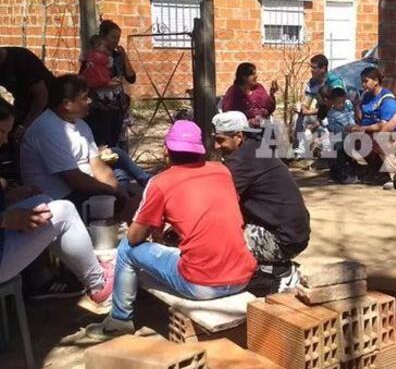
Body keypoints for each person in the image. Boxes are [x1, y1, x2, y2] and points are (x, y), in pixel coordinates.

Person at [87, 120, 257, 339]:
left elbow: (135, 236)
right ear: (201, 150)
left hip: (202, 285)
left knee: (126, 249)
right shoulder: (222, 172)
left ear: (166, 151)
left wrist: (153, 223)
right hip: (242, 276)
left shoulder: (160, 183)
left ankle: (119, 320)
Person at [0, 97, 113, 304]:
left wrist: (10, 197)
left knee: (42, 200)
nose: (5, 141)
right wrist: (6, 219)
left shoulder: (79, 125)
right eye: (2, 132)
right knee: (64, 210)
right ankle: (98, 284)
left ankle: (53, 276)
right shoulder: (49, 127)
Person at [212, 112, 310, 294]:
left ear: (238, 137)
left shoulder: (241, 160)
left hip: (283, 239)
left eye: (221, 140)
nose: (217, 146)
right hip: (293, 232)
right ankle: (272, 268)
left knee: (216, 238)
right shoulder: (255, 149)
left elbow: (217, 202)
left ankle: (278, 274)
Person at [19, 75, 137, 215]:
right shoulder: (49, 129)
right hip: (59, 199)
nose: (89, 101)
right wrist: (114, 194)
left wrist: (116, 190)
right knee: (134, 205)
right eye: (84, 98)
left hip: (86, 189)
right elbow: (74, 179)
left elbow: (97, 165)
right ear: (67, 104)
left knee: (131, 191)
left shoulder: (80, 124)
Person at [81, 21, 137, 149]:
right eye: (113, 37)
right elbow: (85, 80)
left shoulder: (117, 56)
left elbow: (131, 78)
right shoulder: (91, 57)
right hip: (99, 107)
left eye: (118, 37)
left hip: (117, 107)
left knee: (116, 141)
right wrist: (103, 84)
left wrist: (124, 56)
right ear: (103, 36)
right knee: (103, 144)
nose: (116, 41)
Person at [0, 45, 53, 177]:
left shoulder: (20, 59)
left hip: (48, 105)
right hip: (22, 103)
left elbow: (41, 95)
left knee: (23, 137)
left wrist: (25, 127)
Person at [350, 67, 396, 184]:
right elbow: (360, 117)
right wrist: (356, 104)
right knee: (352, 138)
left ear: (376, 81)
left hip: (386, 133)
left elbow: (384, 125)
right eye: (362, 81)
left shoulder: (387, 98)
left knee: (371, 140)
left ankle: (384, 172)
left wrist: (364, 129)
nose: (363, 84)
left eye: (366, 81)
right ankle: (374, 168)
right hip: (368, 130)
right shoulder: (366, 96)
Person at [293, 54, 346, 160]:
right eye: (311, 67)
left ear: (323, 68)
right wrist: (302, 108)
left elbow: (333, 105)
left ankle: (326, 154)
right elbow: (307, 101)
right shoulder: (313, 82)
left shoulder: (334, 82)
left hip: (338, 113)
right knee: (298, 118)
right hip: (321, 112)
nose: (311, 70)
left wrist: (308, 112)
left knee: (326, 123)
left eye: (314, 68)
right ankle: (299, 153)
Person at [221, 63, 279, 127]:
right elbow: (229, 113)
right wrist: (247, 121)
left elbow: (269, 109)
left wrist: (272, 94)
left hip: (263, 126)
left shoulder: (259, 88)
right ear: (244, 77)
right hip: (242, 129)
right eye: (253, 74)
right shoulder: (234, 92)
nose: (256, 76)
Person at [325, 88, 358, 184]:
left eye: (343, 102)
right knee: (339, 158)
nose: (342, 105)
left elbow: (352, 120)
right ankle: (340, 176)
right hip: (337, 139)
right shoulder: (331, 114)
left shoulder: (347, 111)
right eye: (339, 103)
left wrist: (353, 126)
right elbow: (331, 127)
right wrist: (344, 129)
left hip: (348, 138)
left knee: (348, 157)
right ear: (333, 103)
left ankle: (346, 174)